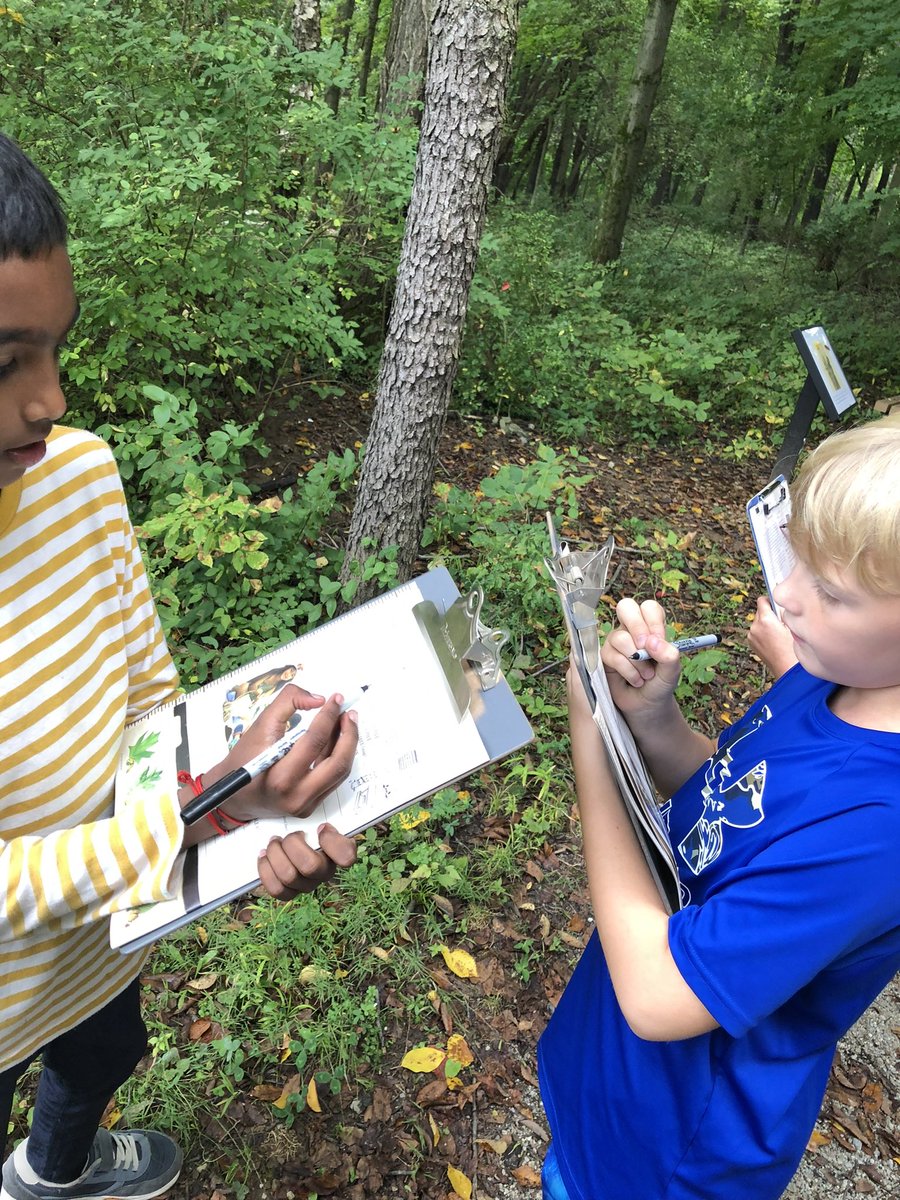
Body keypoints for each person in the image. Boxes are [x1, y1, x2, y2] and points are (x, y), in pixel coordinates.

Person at [0, 131, 360, 1200]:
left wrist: (251, 821)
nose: (50, 401)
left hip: (108, 940)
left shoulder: (80, 479)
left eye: (56, 348)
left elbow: (150, 707)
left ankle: (55, 1171)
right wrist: (194, 820)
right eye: (2, 361)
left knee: (103, 1056)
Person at [538, 414, 900, 1199]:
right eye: (796, 558)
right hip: (617, 1086)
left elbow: (657, 994)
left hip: (675, 1150)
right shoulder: (831, 678)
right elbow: (739, 805)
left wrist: (593, 734)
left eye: (829, 592)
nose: (787, 596)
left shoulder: (880, 832)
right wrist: (653, 720)